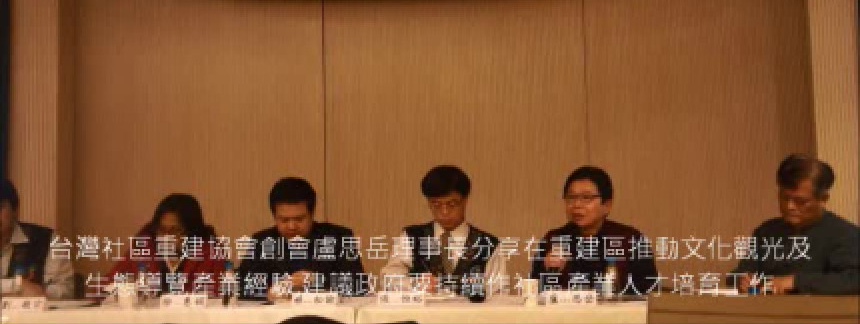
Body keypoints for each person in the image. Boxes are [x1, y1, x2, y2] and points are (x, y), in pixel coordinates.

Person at [731, 154, 859, 294]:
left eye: (800, 201)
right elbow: (740, 272)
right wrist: (741, 279)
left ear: (823, 199)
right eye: (784, 198)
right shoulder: (766, 231)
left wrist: (796, 282)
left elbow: (853, 280)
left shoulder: (845, 234)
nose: (789, 206)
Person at [531, 166, 658, 295]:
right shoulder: (553, 239)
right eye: (571, 197)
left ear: (607, 205)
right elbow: (534, 293)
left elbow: (650, 292)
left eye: (586, 198)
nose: (577, 205)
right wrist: (548, 270)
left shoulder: (630, 239)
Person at [381, 165, 505, 295]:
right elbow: (388, 278)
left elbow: (499, 294)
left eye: (452, 204)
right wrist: (415, 284)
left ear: (465, 200)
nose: (444, 212)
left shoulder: (489, 244)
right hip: (423, 308)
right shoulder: (411, 237)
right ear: (428, 202)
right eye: (436, 205)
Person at [238, 177, 366, 299]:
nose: (292, 226)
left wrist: (318, 280)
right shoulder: (262, 241)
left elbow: (359, 285)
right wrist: (270, 291)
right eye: (284, 220)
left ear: (312, 214)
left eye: (299, 219)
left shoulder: (339, 237)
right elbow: (241, 286)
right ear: (274, 216)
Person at [107, 193, 224, 296]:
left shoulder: (211, 255)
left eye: (175, 231)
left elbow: (218, 298)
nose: (166, 237)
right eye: (161, 230)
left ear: (192, 232)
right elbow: (107, 286)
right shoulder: (142, 249)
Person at [0, 179, 74, 298]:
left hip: (33, 310)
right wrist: (17, 285)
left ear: (15, 210)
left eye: (0, 207)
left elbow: (66, 289)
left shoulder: (47, 239)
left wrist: (41, 292)